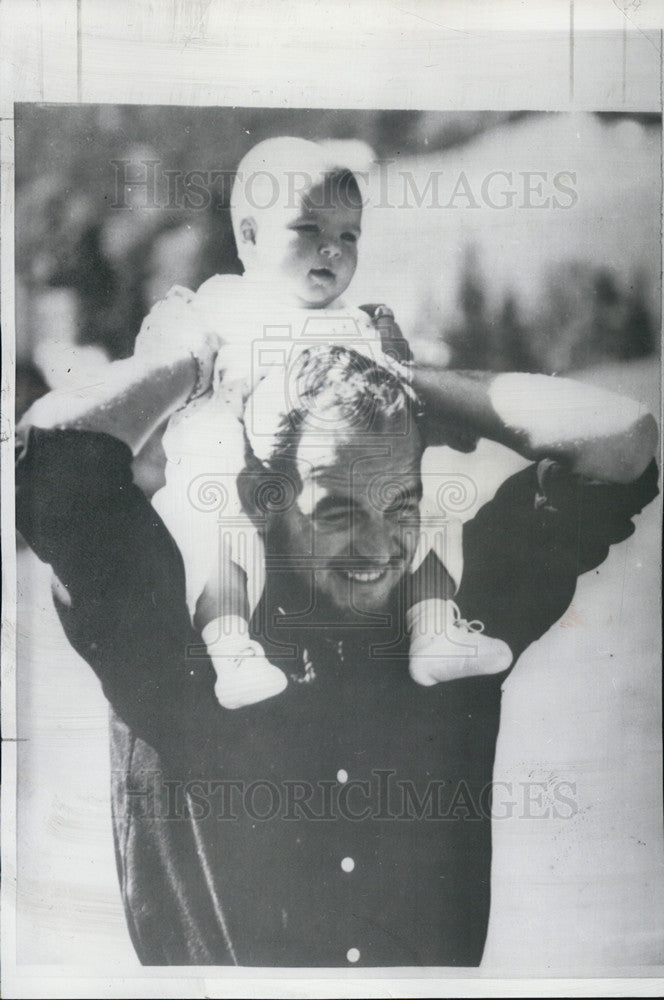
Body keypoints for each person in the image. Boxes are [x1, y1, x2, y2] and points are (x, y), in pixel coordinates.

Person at [16, 294, 658, 966]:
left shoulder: (453, 629)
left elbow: (625, 442)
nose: (381, 547)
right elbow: (48, 462)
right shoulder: (176, 635)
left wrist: (407, 384)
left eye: (401, 505)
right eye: (338, 510)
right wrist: (196, 363)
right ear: (262, 499)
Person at [151, 137, 510, 711]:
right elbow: (175, 362)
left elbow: (390, 392)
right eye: (308, 229)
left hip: (340, 481)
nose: (332, 249)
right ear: (248, 237)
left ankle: (434, 625)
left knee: (435, 504)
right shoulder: (222, 303)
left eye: (349, 235)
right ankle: (230, 645)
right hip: (227, 469)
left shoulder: (356, 325)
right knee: (218, 534)